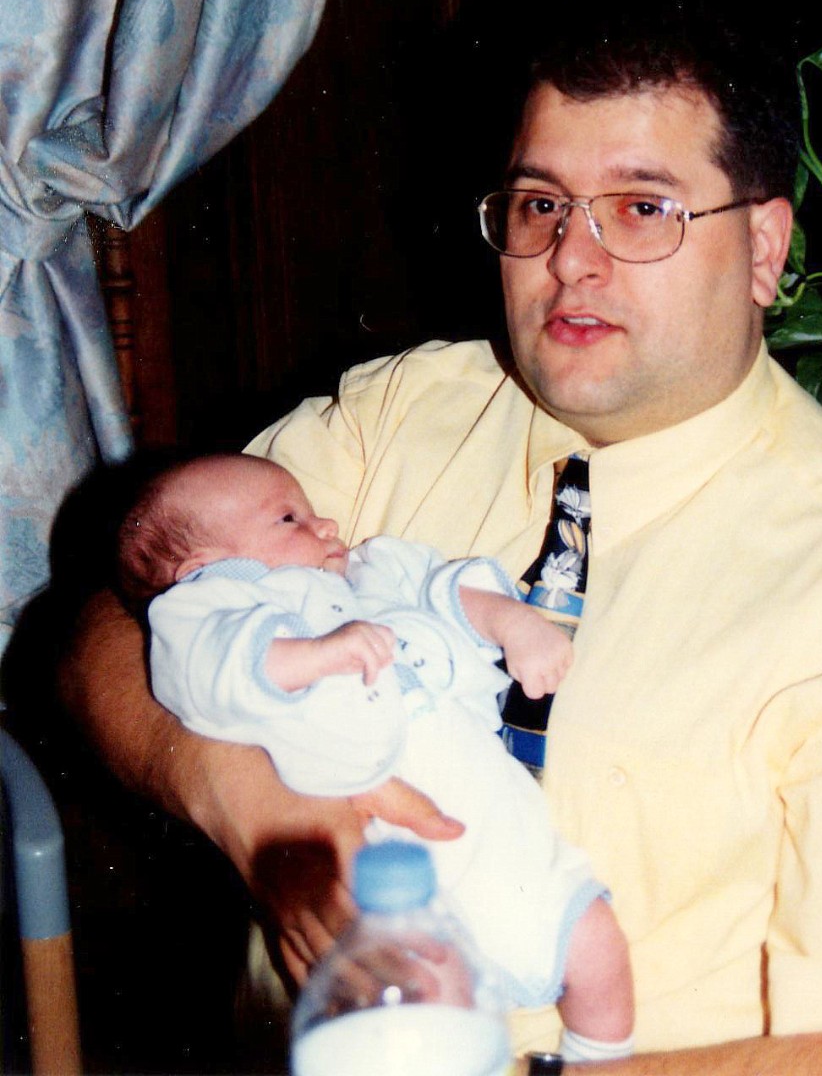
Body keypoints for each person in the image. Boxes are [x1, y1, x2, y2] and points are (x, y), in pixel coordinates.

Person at [60, 2, 822, 1075]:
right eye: (541, 205)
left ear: (762, 249)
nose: (571, 261)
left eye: (640, 209)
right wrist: (239, 796)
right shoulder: (402, 415)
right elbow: (104, 626)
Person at [116, 450, 634, 1063]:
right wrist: (318, 656)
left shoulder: (376, 571)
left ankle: (602, 1059)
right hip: (383, 859)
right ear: (205, 567)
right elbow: (204, 670)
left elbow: (450, 590)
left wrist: (514, 624)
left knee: (593, 936)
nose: (326, 525)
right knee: (421, 1014)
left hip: (495, 828)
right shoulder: (207, 609)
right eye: (288, 519)